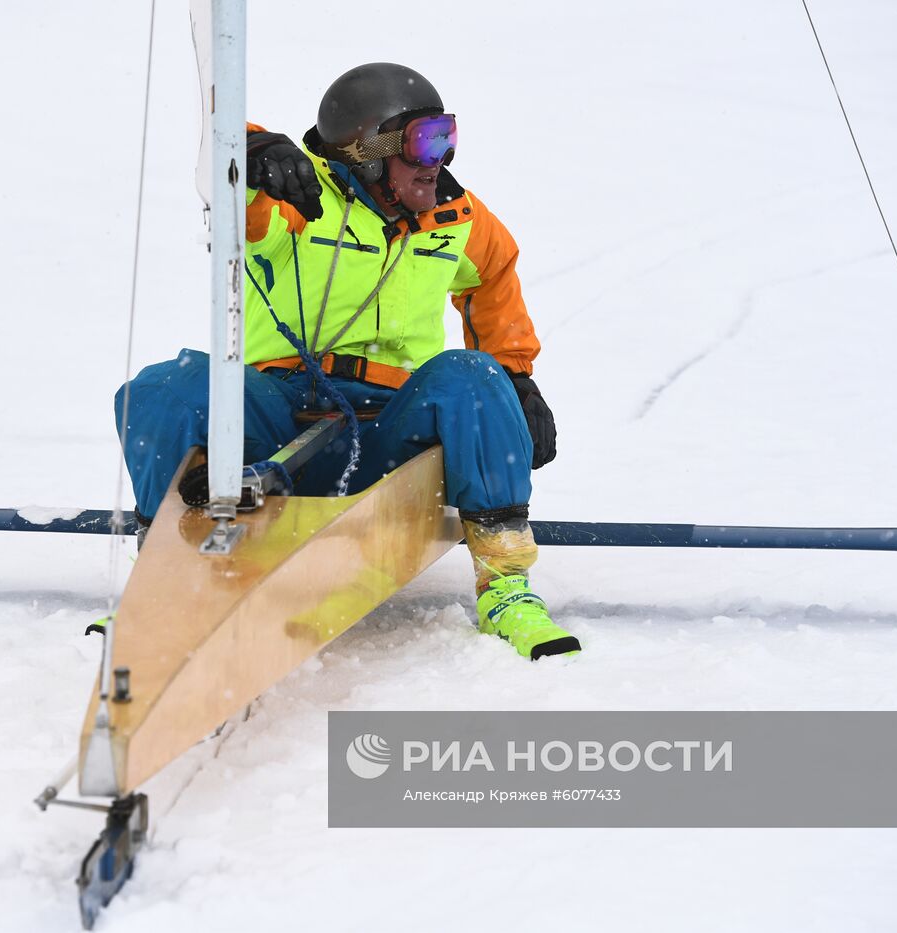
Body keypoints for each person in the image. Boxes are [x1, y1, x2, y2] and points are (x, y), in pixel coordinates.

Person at [116, 62, 579, 660]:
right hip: (277, 414)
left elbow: (492, 275)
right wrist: (253, 147)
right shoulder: (296, 198)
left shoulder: (455, 215)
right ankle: (168, 581)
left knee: (474, 376)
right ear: (365, 150)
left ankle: (506, 587)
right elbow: (223, 168)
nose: (437, 159)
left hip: (392, 427)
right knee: (164, 388)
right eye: (421, 143)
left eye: (445, 137)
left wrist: (516, 376)